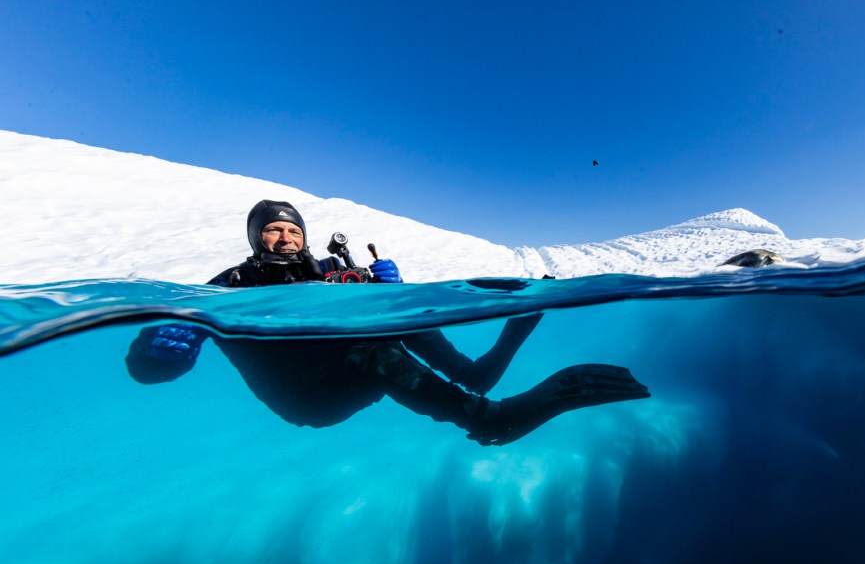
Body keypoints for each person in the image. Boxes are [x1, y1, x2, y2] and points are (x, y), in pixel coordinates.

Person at [126, 200, 649, 445]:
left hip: (362, 369)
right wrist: (158, 349)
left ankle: (484, 370)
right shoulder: (227, 285)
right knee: (371, 349)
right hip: (310, 400)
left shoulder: (331, 270)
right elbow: (147, 372)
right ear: (255, 238)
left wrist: (391, 292)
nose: (284, 238)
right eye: (272, 232)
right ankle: (490, 419)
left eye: (292, 230)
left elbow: (389, 308)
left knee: (388, 322)